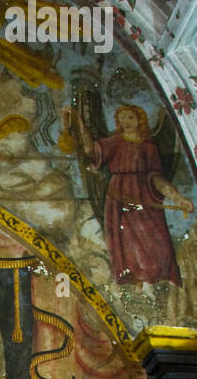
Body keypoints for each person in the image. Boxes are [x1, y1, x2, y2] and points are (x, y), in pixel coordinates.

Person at [62, 103, 192, 286]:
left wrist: (178, 198)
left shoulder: (149, 148)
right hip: (119, 200)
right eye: (121, 119)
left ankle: (162, 286)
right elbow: (90, 150)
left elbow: (157, 178)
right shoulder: (115, 142)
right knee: (129, 251)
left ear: (140, 119)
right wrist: (79, 121)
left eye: (130, 117)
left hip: (145, 201)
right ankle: (137, 288)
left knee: (161, 248)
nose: (126, 122)